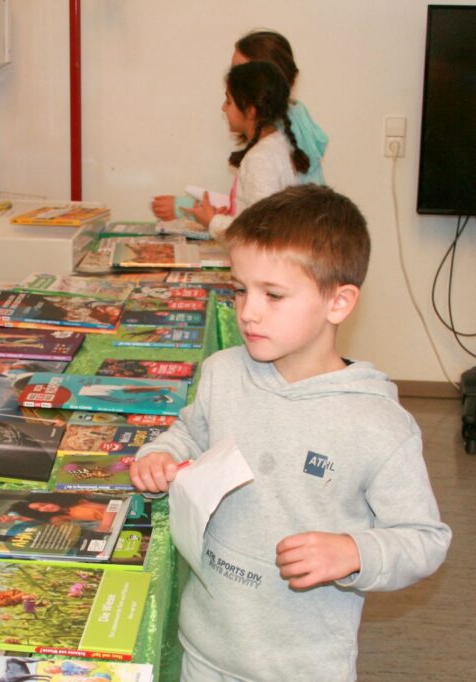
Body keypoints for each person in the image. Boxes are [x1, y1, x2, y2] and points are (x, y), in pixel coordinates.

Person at [129, 185, 451, 680]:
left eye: (273, 295)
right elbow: (190, 433)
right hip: (207, 648)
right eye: (240, 289)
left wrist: (354, 551)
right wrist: (161, 454)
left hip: (301, 666)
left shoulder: (378, 425)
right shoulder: (222, 373)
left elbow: (425, 539)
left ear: (338, 302)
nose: (248, 312)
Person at [153, 30, 327, 222]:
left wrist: (194, 211)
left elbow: (259, 223)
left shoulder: (272, 147)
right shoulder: (279, 131)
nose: (233, 78)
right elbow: (254, 204)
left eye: (241, 70)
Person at [180, 61, 306, 238]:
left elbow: (259, 231)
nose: (223, 108)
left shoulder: (260, 158)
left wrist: (212, 221)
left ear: (250, 110)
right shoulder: (278, 144)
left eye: (229, 101)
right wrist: (222, 218)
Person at [233, 29, 328, 186]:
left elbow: (265, 199)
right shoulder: (295, 114)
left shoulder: (273, 134)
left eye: (239, 72)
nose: (232, 81)